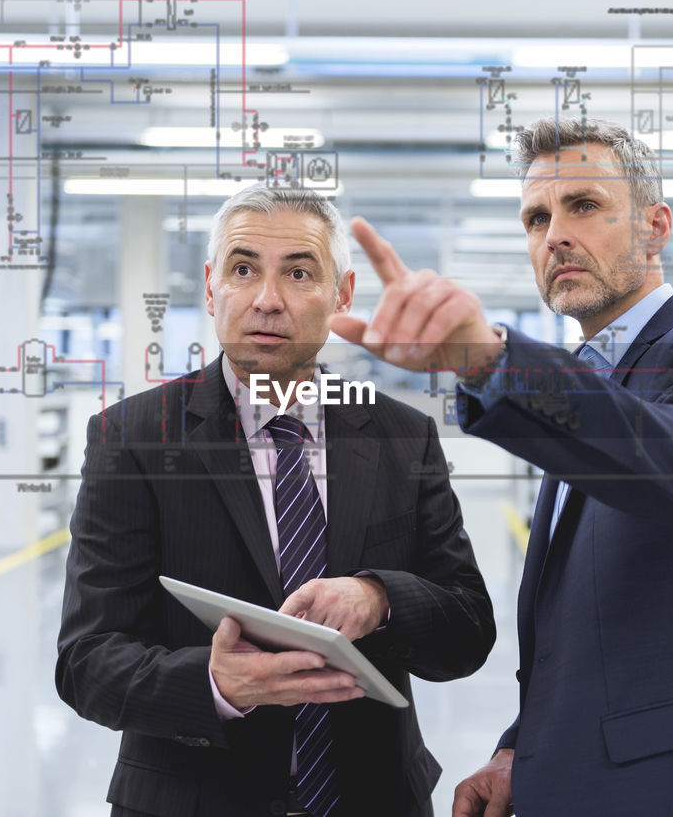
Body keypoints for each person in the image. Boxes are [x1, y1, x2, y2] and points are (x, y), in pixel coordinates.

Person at [329, 118, 673, 816]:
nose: (554, 236)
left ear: (654, 227)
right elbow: (587, 635)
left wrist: (492, 360)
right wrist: (524, 748)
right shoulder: (595, 383)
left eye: (584, 205)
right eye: (536, 218)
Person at [56, 184, 496, 817]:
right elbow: (87, 662)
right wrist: (214, 683)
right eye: (243, 270)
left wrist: (380, 598)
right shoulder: (134, 439)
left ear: (342, 294)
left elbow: (467, 631)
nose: (267, 300)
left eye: (298, 271)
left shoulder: (401, 435)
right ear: (210, 288)